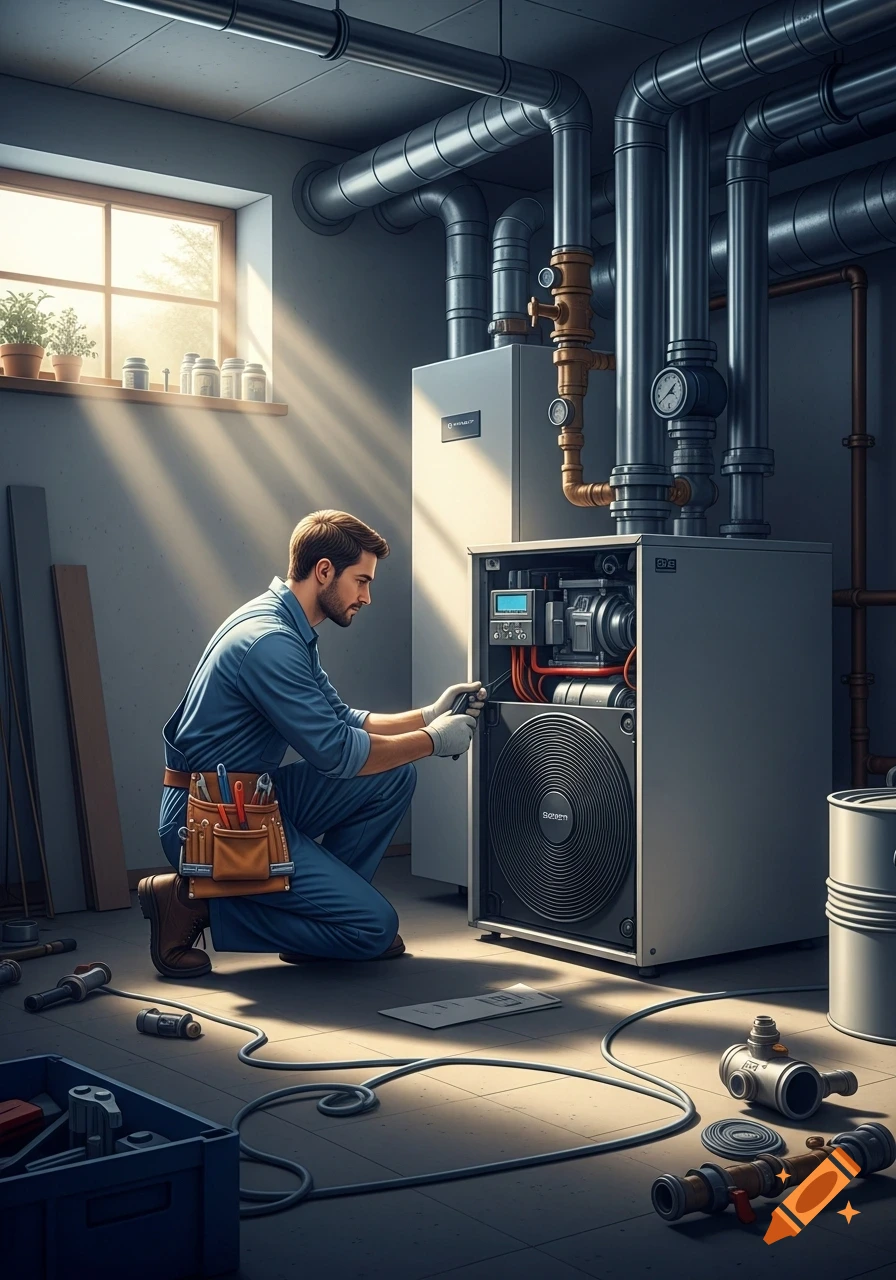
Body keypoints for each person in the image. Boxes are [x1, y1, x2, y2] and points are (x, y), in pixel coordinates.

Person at [140, 509, 485, 978]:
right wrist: (432, 741)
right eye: (361, 581)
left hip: (249, 799)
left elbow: (342, 719)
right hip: (207, 821)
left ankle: (325, 919)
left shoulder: (285, 624)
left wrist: (427, 714)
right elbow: (337, 753)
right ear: (324, 571)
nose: (366, 597)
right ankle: (190, 904)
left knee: (393, 775)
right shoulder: (270, 642)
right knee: (374, 930)